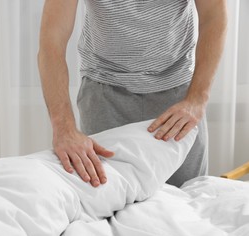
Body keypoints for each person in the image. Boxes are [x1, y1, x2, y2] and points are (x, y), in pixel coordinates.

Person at [37, 0, 227, 188]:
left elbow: (213, 16)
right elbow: (52, 42)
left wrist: (196, 100)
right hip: (104, 96)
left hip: (179, 97)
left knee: (187, 199)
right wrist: (63, 128)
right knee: (106, 197)